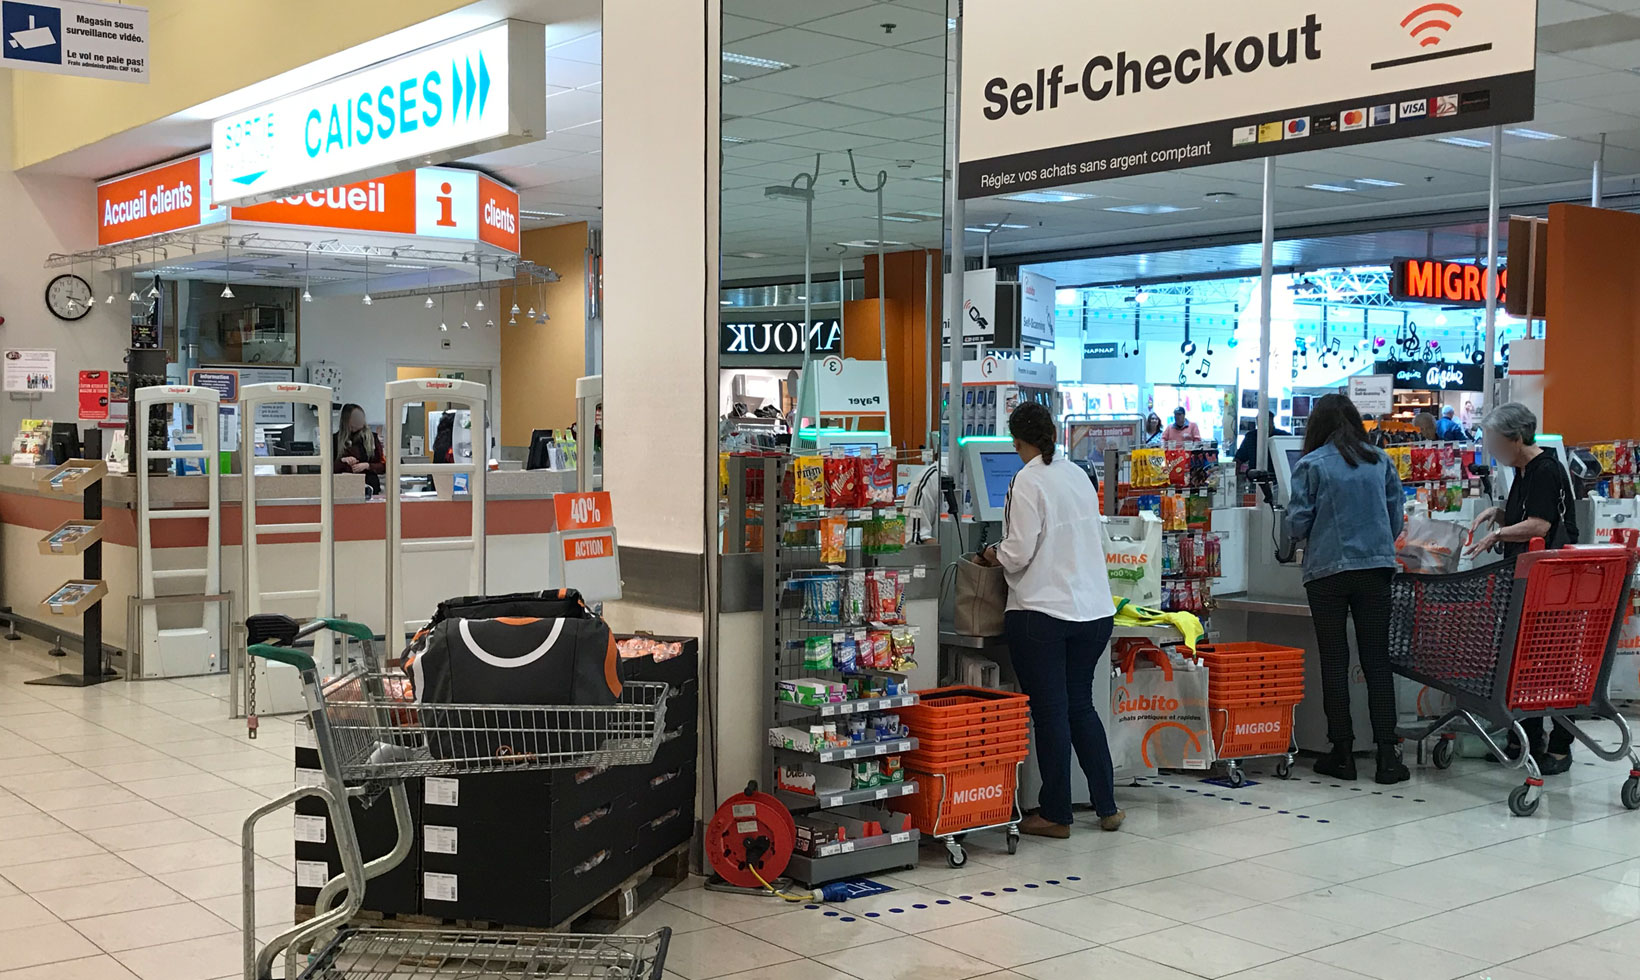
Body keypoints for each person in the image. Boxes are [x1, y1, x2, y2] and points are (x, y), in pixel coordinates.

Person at [979, 403, 1122, 837]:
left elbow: (1018, 551)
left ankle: (1056, 814)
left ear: (1016, 442)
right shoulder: (1077, 473)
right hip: (1094, 612)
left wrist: (992, 554)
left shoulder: (1027, 479)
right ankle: (1107, 806)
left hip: (1042, 613)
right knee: (1081, 705)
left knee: (1051, 712)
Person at [1285, 394, 1410, 784]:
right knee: (1377, 661)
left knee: (1334, 661)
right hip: (1376, 570)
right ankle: (1388, 756)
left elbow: (1297, 525)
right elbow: (1395, 518)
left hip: (1327, 573)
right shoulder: (1381, 461)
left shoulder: (1310, 465)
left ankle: (1342, 753)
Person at [1466, 402, 1581, 773]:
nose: (1490, 448)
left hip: (1552, 582)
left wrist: (1498, 534)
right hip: (1529, 578)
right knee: (1525, 661)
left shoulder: (1546, 469)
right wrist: (1499, 514)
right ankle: (1525, 738)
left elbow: (1540, 525)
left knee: (1551, 662)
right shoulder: (1524, 471)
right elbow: (1527, 515)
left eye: (1494, 440)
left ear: (1515, 438)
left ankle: (1560, 746)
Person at [334, 403, 386, 494]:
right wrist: (343, 460)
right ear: (347, 420)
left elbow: (383, 466)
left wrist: (367, 466)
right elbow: (329, 468)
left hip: (370, 485)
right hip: (344, 487)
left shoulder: (372, 438)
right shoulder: (335, 439)